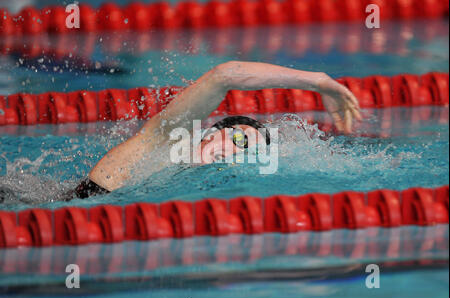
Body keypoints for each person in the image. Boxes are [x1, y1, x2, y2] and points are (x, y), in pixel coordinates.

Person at [66, 61, 361, 200]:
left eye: (249, 150)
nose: (235, 150)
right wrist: (319, 81)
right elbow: (225, 75)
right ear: (207, 135)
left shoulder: (188, 193)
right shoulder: (162, 142)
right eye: (238, 138)